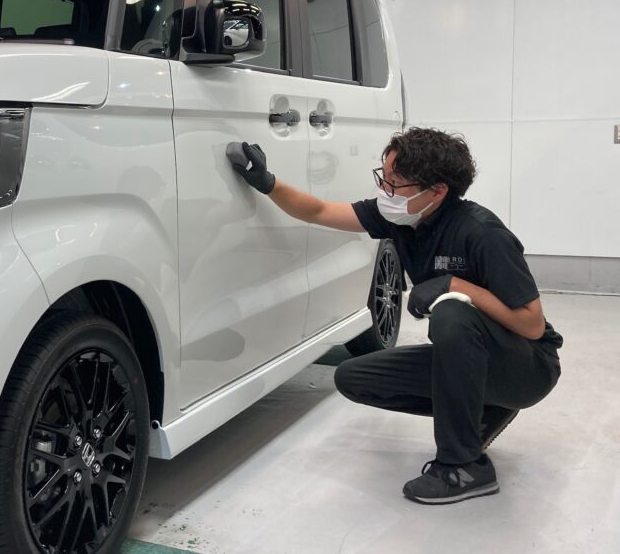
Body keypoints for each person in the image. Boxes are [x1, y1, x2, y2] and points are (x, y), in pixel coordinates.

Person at [228, 127, 562, 505]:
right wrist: (268, 184)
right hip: (475, 364)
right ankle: (483, 411)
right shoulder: (401, 217)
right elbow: (320, 211)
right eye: (383, 177)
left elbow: (532, 324)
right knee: (355, 378)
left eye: (395, 183)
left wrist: (455, 285)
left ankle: (464, 465)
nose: (384, 191)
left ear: (437, 190)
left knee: (452, 313)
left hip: (528, 368)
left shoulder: (482, 233)